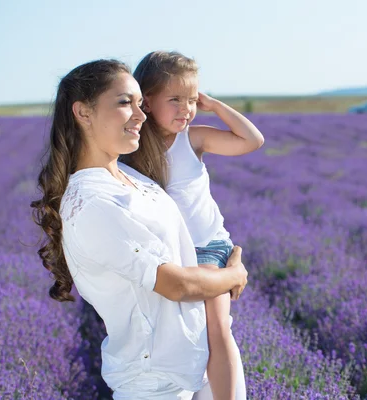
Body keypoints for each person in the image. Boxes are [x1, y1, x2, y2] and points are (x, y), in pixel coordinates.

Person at [30, 59, 248, 400]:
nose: (141, 115)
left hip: (195, 363)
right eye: (123, 102)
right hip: (155, 382)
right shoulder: (91, 203)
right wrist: (233, 276)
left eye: (140, 103)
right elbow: (176, 284)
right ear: (83, 113)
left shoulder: (134, 179)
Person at [121, 50, 264, 400]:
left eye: (191, 99)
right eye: (175, 99)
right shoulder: (134, 148)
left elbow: (252, 141)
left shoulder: (193, 138)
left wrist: (214, 106)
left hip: (209, 248)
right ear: (147, 102)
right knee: (180, 334)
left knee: (217, 327)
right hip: (170, 255)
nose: (186, 108)